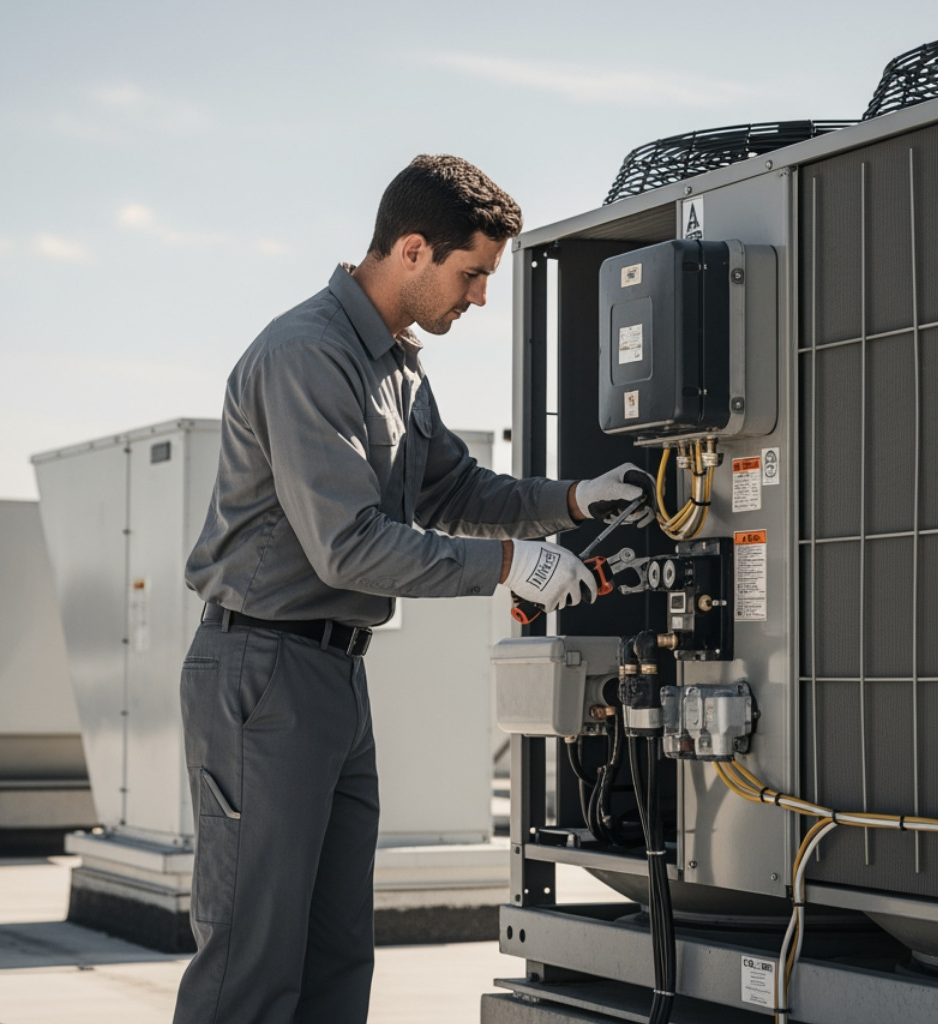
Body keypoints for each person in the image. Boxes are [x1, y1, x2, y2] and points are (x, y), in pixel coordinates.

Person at [174, 154, 654, 1024]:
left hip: (329, 676)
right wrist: (512, 566)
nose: (476, 299)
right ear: (411, 249)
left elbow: (457, 491)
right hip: (261, 671)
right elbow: (349, 548)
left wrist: (573, 501)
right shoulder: (307, 356)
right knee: (252, 956)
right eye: (471, 275)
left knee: (334, 954)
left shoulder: (395, 365)